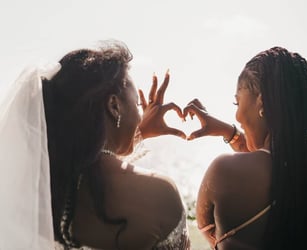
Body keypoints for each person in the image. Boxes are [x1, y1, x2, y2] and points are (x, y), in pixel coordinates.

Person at [0, 41, 190, 249]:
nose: (140, 115)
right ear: (114, 105)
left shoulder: (36, 195)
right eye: (136, 104)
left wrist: (137, 133)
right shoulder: (159, 195)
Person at [184, 47, 307, 250]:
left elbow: (210, 233)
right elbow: (286, 161)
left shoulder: (223, 171)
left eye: (237, 102)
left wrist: (232, 135)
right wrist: (232, 134)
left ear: (262, 102)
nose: (237, 116)